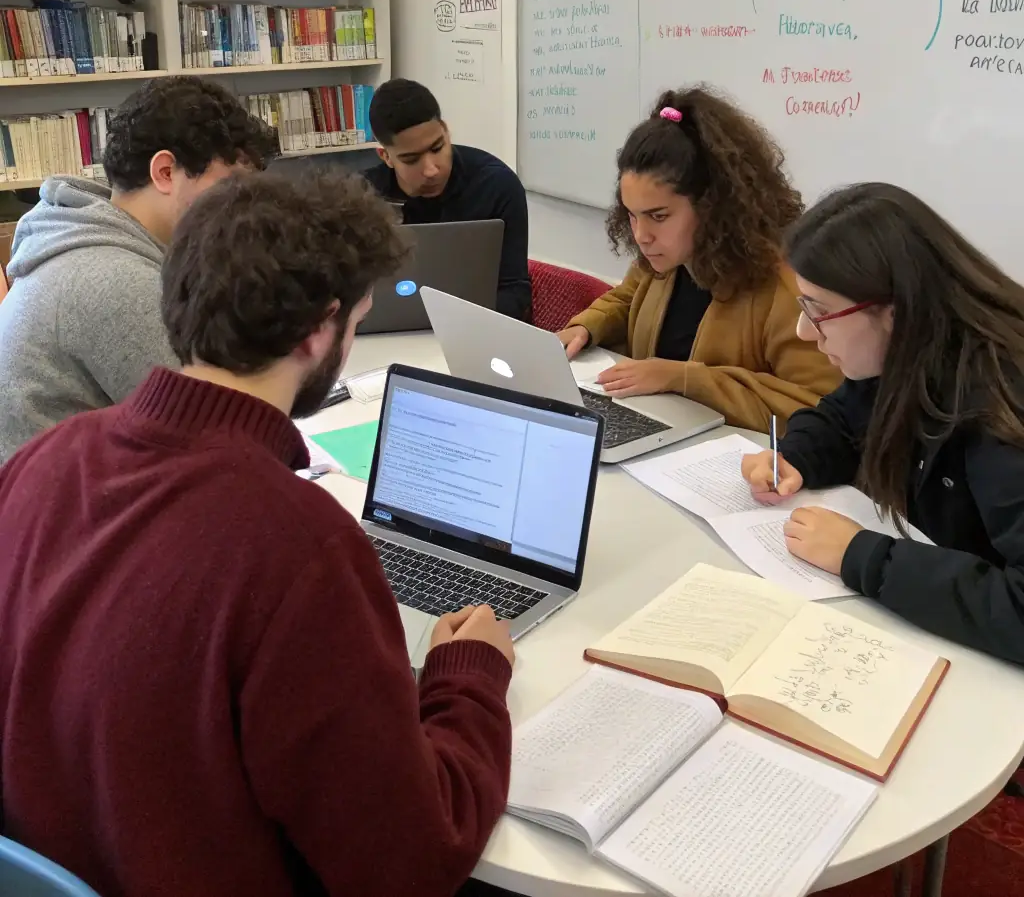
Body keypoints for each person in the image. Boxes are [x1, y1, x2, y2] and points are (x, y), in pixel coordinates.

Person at [0, 168, 514, 897]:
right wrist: (468, 678)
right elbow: (413, 862)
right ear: (318, 329)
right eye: (357, 323)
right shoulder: (300, 547)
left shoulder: (43, 459)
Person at [742, 182, 1024, 666]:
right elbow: (842, 418)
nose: (804, 332)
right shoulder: (912, 351)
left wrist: (862, 557)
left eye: (819, 312)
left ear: (892, 312)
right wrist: (796, 456)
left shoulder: (1002, 405)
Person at [0, 75, 278, 461]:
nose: (240, 207)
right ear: (164, 172)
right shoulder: (112, 280)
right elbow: (217, 442)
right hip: (64, 497)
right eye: (230, 187)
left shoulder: (89, 238)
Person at [558, 87, 839, 430]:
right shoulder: (667, 259)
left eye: (658, 216)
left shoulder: (789, 285)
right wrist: (586, 327)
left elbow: (818, 410)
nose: (641, 235)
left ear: (712, 206)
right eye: (632, 215)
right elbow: (628, 298)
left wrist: (685, 379)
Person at [366, 77, 532, 321]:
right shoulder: (363, 197)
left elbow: (515, 292)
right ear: (386, 157)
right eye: (411, 160)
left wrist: (457, 326)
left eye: (437, 148)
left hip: (479, 330)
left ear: (445, 130)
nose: (431, 170)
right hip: (388, 334)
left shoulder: (496, 186)